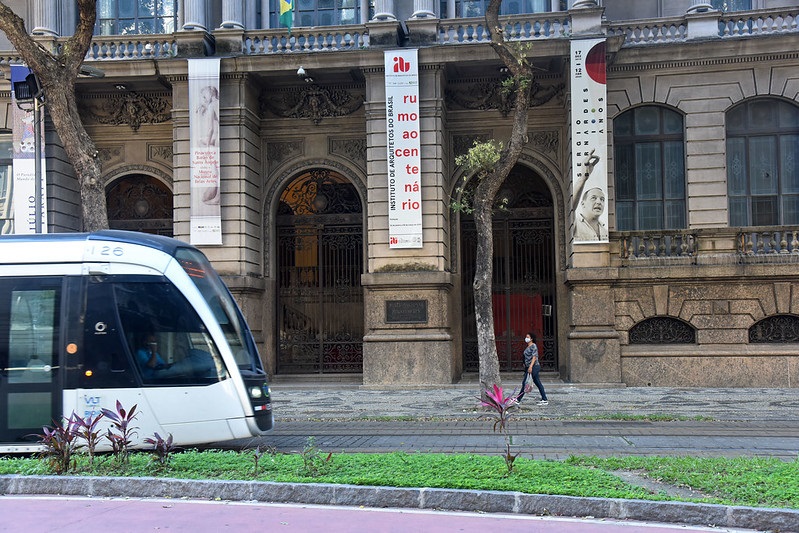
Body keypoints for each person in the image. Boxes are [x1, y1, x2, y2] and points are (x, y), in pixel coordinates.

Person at [516, 332, 548, 406]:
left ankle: (518, 399)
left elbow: (534, 357)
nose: (526, 338)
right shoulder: (528, 347)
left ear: (531, 339)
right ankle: (544, 399)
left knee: (525, 382)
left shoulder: (533, 346)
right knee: (538, 383)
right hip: (529, 367)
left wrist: (530, 366)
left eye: (528, 337)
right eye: (526, 337)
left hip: (534, 367)